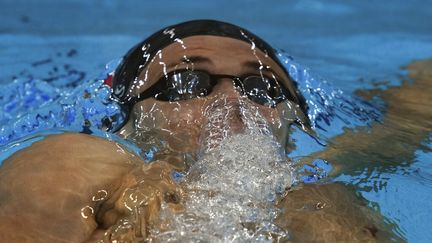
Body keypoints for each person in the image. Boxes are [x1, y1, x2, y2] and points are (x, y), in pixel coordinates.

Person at [0, 20, 399, 242]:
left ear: (292, 124)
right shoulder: (76, 160)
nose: (231, 99)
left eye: (260, 88)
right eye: (186, 82)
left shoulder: (323, 200)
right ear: (126, 122)